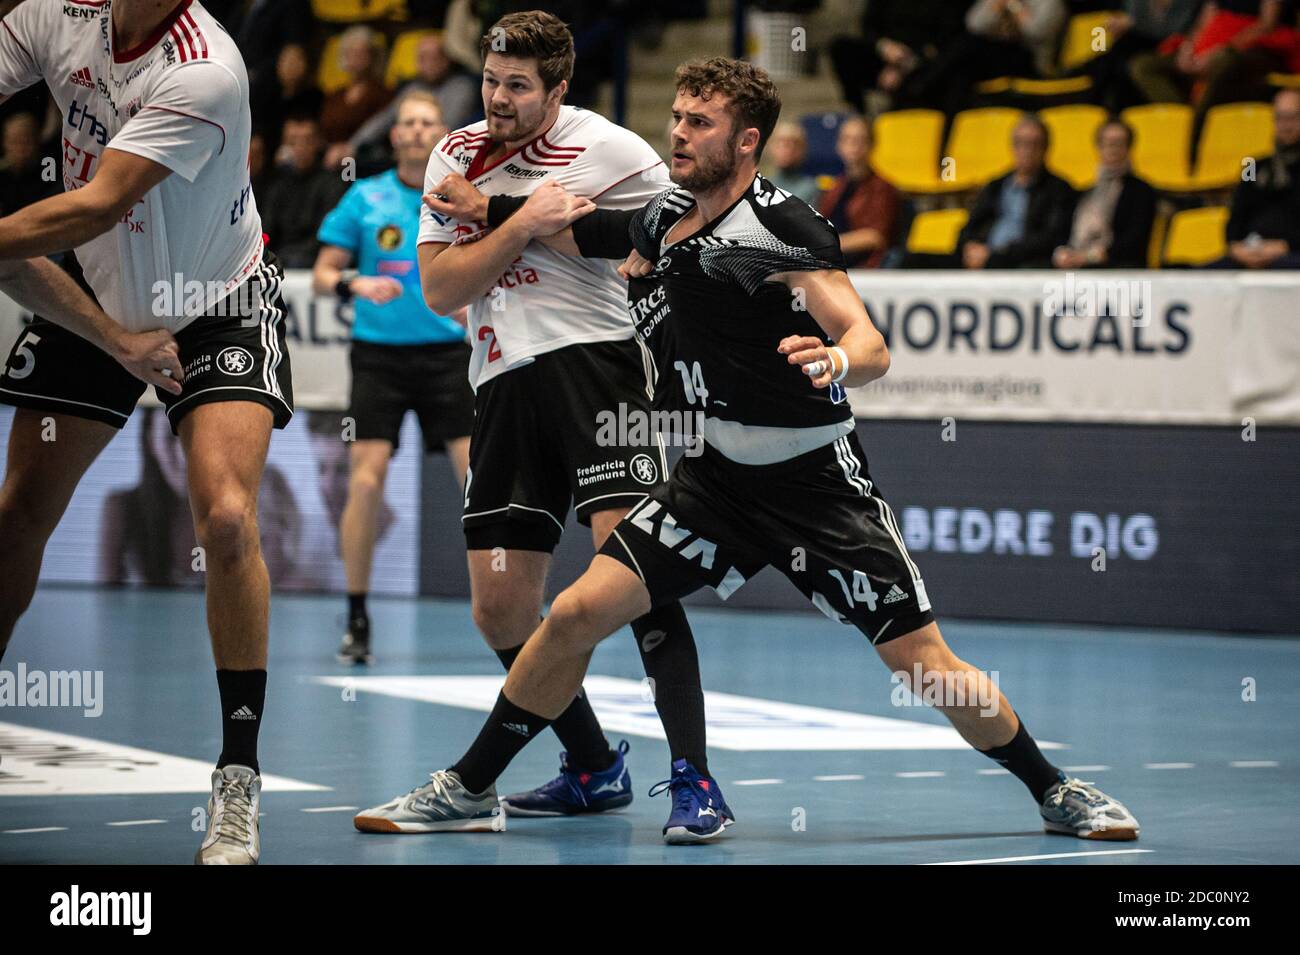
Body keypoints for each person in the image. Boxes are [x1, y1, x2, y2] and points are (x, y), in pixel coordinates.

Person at [353, 55, 1141, 845]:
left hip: (815, 488)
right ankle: (467, 785)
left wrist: (838, 361)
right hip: (713, 482)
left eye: (700, 124)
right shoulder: (663, 216)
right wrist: (487, 206)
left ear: (748, 140)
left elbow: (868, 339)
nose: (680, 134)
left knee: (922, 663)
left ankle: (1055, 788)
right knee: (573, 614)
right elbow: (575, 235)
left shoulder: (779, 226)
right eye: (679, 119)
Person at [351, 10, 718, 840]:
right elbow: (442, 290)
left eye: (519, 86)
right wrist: (518, 221)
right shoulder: (452, 153)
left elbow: (679, 228)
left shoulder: (613, 148)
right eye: (490, 80)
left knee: (634, 569)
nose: (499, 98)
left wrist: (523, 217)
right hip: (503, 380)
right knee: (500, 607)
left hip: (599, 367)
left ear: (559, 87)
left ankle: (695, 778)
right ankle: (591, 765)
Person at [0, 0, 292, 865]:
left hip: (214, 304)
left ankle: (237, 779)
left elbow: (94, 205)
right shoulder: (55, 17)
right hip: (93, 300)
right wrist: (113, 337)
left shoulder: (205, 67)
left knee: (230, 518)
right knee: (17, 515)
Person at [312, 90, 474, 663]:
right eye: (406, 122)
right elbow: (324, 273)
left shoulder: (463, 198)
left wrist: (470, 303)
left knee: (479, 483)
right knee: (365, 482)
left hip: (448, 358)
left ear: (443, 132)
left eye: (427, 121)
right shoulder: (366, 196)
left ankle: (509, 604)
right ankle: (357, 617)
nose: (415, 130)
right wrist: (354, 284)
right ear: (395, 135)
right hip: (378, 358)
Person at [1129, 1, 1300, 148]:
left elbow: (1267, 25)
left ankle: (1197, 131)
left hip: (1256, 48)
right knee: (1144, 66)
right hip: (1212, 45)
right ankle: (1184, 120)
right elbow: (1205, 20)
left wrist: (1217, 53)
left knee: (1224, 62)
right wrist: (1188, 50)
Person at [950, 115, 1077, 269]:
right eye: (1021, 143)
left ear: (1046, 147)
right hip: (983, 257)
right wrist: (969, 247)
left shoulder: (1059, 189)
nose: (1027, 151)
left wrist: (997, 254)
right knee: (919, 259)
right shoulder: (995, 185)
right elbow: (969, 227)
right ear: (1012, 146)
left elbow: (1050, 238)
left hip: (1020, 262)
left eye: (1034, 144)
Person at [1206, 87, 1300, 268]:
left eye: (1292, 117)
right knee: (1203, 275)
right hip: (1249, 250)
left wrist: (1286, 246)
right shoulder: (1252, 166)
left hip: (1291, 253)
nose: (1285, 125)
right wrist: (1235, 246)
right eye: (1279, 118)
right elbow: (1238, 210)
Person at [349, 33, 481, 157]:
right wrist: (353, 145)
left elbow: (449, 130)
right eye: (422, 58)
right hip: (409, 153)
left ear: (446, 60)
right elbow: (384, 119)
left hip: (447, 156)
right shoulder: (412, 88)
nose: (428, 64)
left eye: (434, 57)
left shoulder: (462, 86)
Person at [1052, 118, 1157, 269]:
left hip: (1118, 270)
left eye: (1119, 143)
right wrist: (1061, 252)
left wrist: (1090, 257)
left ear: (1129, 148)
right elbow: (1061, 232)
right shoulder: (1085, 192)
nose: (1113, 150)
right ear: (1098, 147)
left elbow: (1135, 240)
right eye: (1107, 144)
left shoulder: (1141, 191)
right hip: (1076, 266)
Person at [259, 115, 348, 268]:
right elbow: (266, 229)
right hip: (278, 260)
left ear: (318, 142)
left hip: (314, 262)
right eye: (293, 142)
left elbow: (326, 235)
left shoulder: (332, 184)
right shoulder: (276, 185)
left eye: (307, 141)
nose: (300, 147)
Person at [817, 116, 901, 269]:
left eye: (860, 140)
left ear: (871, 145)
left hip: (866, 264)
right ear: (839, 146)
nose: (853, 145)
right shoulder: (835, 188)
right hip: (831, 262)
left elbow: (875, 237)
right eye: (847, 139)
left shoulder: (882, 187)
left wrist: (825, 247)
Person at [763, 121, 820, 206]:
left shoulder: (810, 188)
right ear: (770, 147)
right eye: (780, 143)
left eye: (794, 144)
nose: (787, 150)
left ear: (803, 150)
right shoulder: (762, 186)